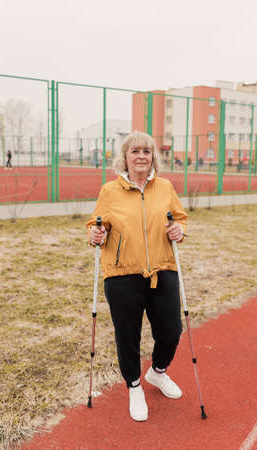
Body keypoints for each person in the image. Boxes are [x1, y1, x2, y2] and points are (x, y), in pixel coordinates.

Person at [86, 130, 188, 422]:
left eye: (146, 151)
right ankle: (134, 387)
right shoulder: (110, 191)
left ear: (153, 156)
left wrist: (179, 232)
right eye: (135, 151)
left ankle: (157, 372)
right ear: (125, 158)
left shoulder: (165, 187)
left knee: (171, 332)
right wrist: (95, 234)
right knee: (127, 336)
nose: (141, 156)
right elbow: (97, 224)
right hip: (122, 275)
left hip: (162, 270)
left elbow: (178, 219)